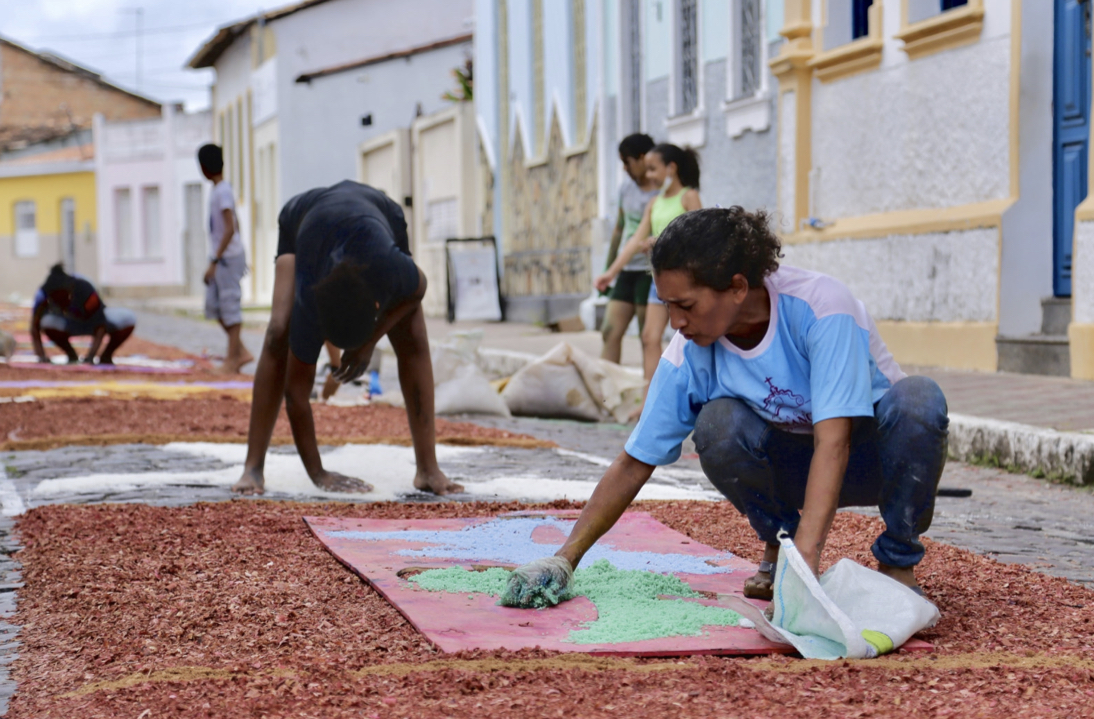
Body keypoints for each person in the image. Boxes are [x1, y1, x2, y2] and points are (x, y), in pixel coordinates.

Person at [505, 208, 949, 606]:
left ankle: (897, 563)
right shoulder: (689, 351)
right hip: (789, 468)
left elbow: (834, 443)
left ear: (737, 287)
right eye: (667, 307)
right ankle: (780, 541)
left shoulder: (821, 307)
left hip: (870, 456)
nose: (676, 323)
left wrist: (805, 575)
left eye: (686, 306)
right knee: (717, 424)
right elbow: (633, 461)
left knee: (919, 399)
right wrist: (565, 559)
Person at [231, 180, 463, 496]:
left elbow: (418, 288)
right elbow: (296, 395)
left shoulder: (388, 265)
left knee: (413, 335)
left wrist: (369, 344)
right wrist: (318, 474)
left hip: (381, 212)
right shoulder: (308, 299)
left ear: (376, 305)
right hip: (304, 215)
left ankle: (428, 469)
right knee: (276, 332)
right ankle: (252, 468)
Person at [595, 143, 702, 390]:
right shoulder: (654, 203)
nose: (650, 175)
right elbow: (634, 240)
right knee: (648, 338)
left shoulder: (688, 196)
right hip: (660, 280)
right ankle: (648, 403)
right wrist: (610, 273)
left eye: (654, 169)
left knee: (689, 340)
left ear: (671, 168)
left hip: (686, 281)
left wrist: (660, 240)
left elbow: (700, 235)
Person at [599, 133, 660, 365]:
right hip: (626, 269)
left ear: (642, 158)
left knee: (648, 337)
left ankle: (649, 397)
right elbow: (619, 228)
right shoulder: (626, 188)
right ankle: (607, 396)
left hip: (650, 272)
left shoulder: (661, 191)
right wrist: (609, 268)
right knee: (609, 330)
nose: (625, 169)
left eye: (627, 162)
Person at [197, 144, 253, 374]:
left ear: (204, 167)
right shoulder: (218, 191)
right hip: (222, 258)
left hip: (227, 259)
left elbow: (230, 228)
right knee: (214, 307)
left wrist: (215, 260)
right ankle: (241, 351)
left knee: (230, 307)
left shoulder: (223, 192)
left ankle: (232, 361)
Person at [30, 264, 136, 365]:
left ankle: (106, 356)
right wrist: (41, 356)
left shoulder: (85, 288)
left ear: (68, 290)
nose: (57, 300)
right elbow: (35, 327)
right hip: (69, 323)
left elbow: (100, 325)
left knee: (128, 318)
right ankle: (71, 355)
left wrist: (91, 356)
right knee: (47, 322)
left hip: (92, 321)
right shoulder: (44, 295)